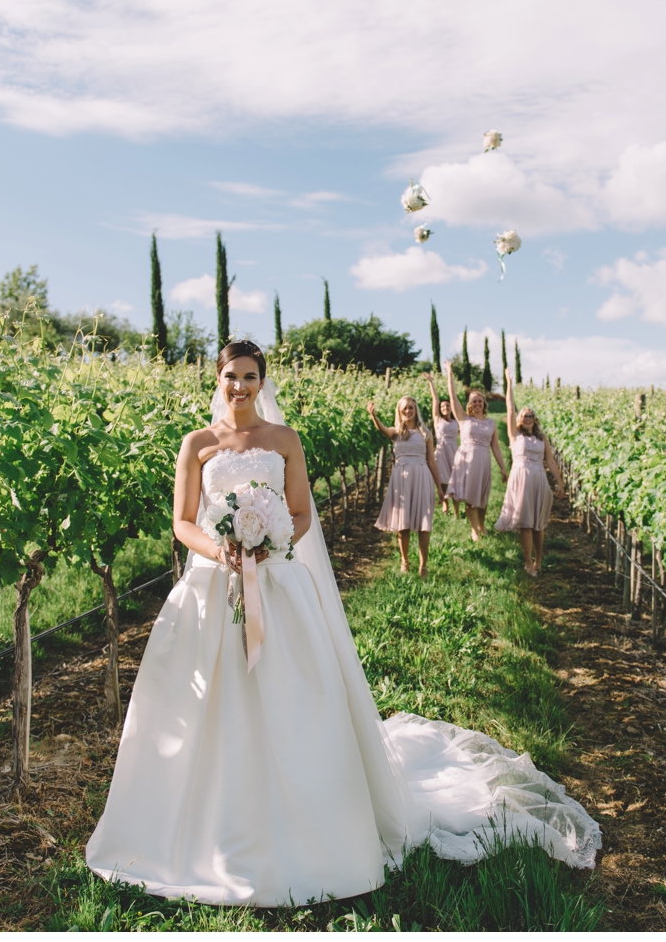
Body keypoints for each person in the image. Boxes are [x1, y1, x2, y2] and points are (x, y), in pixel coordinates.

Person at [85, 341, 599, 907]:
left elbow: (302, 513)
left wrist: (268, 544)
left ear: (262, 382)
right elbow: (183, 521)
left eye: (251, 377)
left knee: (290, 697)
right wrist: (221, 549)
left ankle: (307, 822)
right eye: (232, 376)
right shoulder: (198, 445)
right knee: (209, 700)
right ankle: (204, 826)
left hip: (277, 582)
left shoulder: (284, 441)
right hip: (212, 585)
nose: (240, 387)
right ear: (218, 377)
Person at [494, 366, 564, 577]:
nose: (527, 418)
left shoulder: (542, 439)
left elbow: (550, 462)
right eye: (524, 415)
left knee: (538, 524)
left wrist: (559, 482)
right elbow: (509, 409)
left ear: (535, 419)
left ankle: (539, 559)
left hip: (539, 480)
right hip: (521, 479)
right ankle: (528, 562)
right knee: (525, 523)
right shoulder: (515, 436)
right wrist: (509, 383)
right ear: (519, 419)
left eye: (531, 415)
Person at [366, 395, 447, 576]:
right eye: (405, 409)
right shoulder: (396, 432)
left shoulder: (425, 433)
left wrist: (440, 487)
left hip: (421, 475)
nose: (408, 411)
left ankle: (423, 565)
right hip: (401, 478)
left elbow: (432, 462)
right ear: (400, 412)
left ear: (416, 410)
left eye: (411, 408)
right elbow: (383, 430)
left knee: (423, 523)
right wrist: (374, 416)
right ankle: (405, 561)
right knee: (403, 523)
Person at [442, 361, 509, 542]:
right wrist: (449, 373)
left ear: (484, 404)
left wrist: (503, 468)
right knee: (470, 496)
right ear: (469, 405)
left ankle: (482, 524)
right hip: (466, 460)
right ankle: (474, 530)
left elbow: (495, 446)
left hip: (484, 460)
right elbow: (452, 397)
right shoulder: (463, 418)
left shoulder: (491, 424)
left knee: (483, 497)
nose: (477, 403)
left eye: (479, 401)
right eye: (474, 401)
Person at [422, 373, 461, 515]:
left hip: (454, 451)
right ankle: (445, 503)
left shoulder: (457, 421)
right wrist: (431, 383)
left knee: (455, 478)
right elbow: (435, 399)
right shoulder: (438, 419)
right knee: (443, 479)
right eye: (443, 406)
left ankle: (456, 509)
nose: (445, 407)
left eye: (447, 406)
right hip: (441, 451)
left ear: (451, 408)